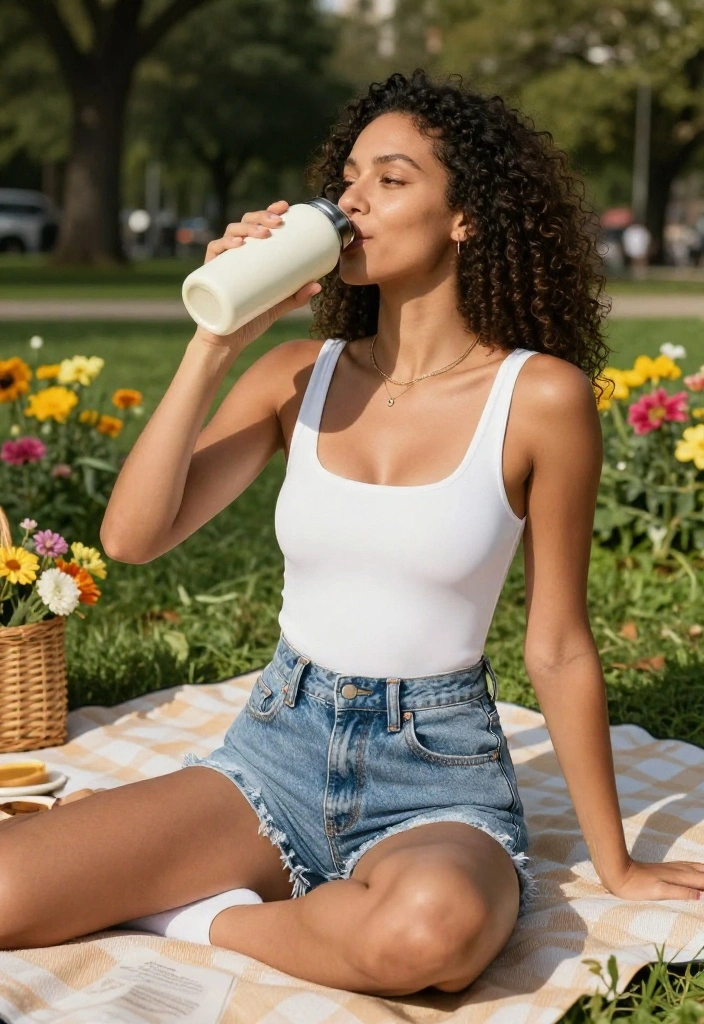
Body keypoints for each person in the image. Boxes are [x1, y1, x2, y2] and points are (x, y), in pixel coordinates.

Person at [2, 68, 703, 997]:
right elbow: (132, 538)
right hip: (275, 749)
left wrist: (616, 867)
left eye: (392, 179)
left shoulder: (539, 397)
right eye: (350, 178)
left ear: (468, 218)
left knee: (428, 938)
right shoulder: (296, 372)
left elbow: (561, 646)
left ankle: (207, 918)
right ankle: (261, 904)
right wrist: (217, 341)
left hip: (437, 778)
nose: (352, 201)